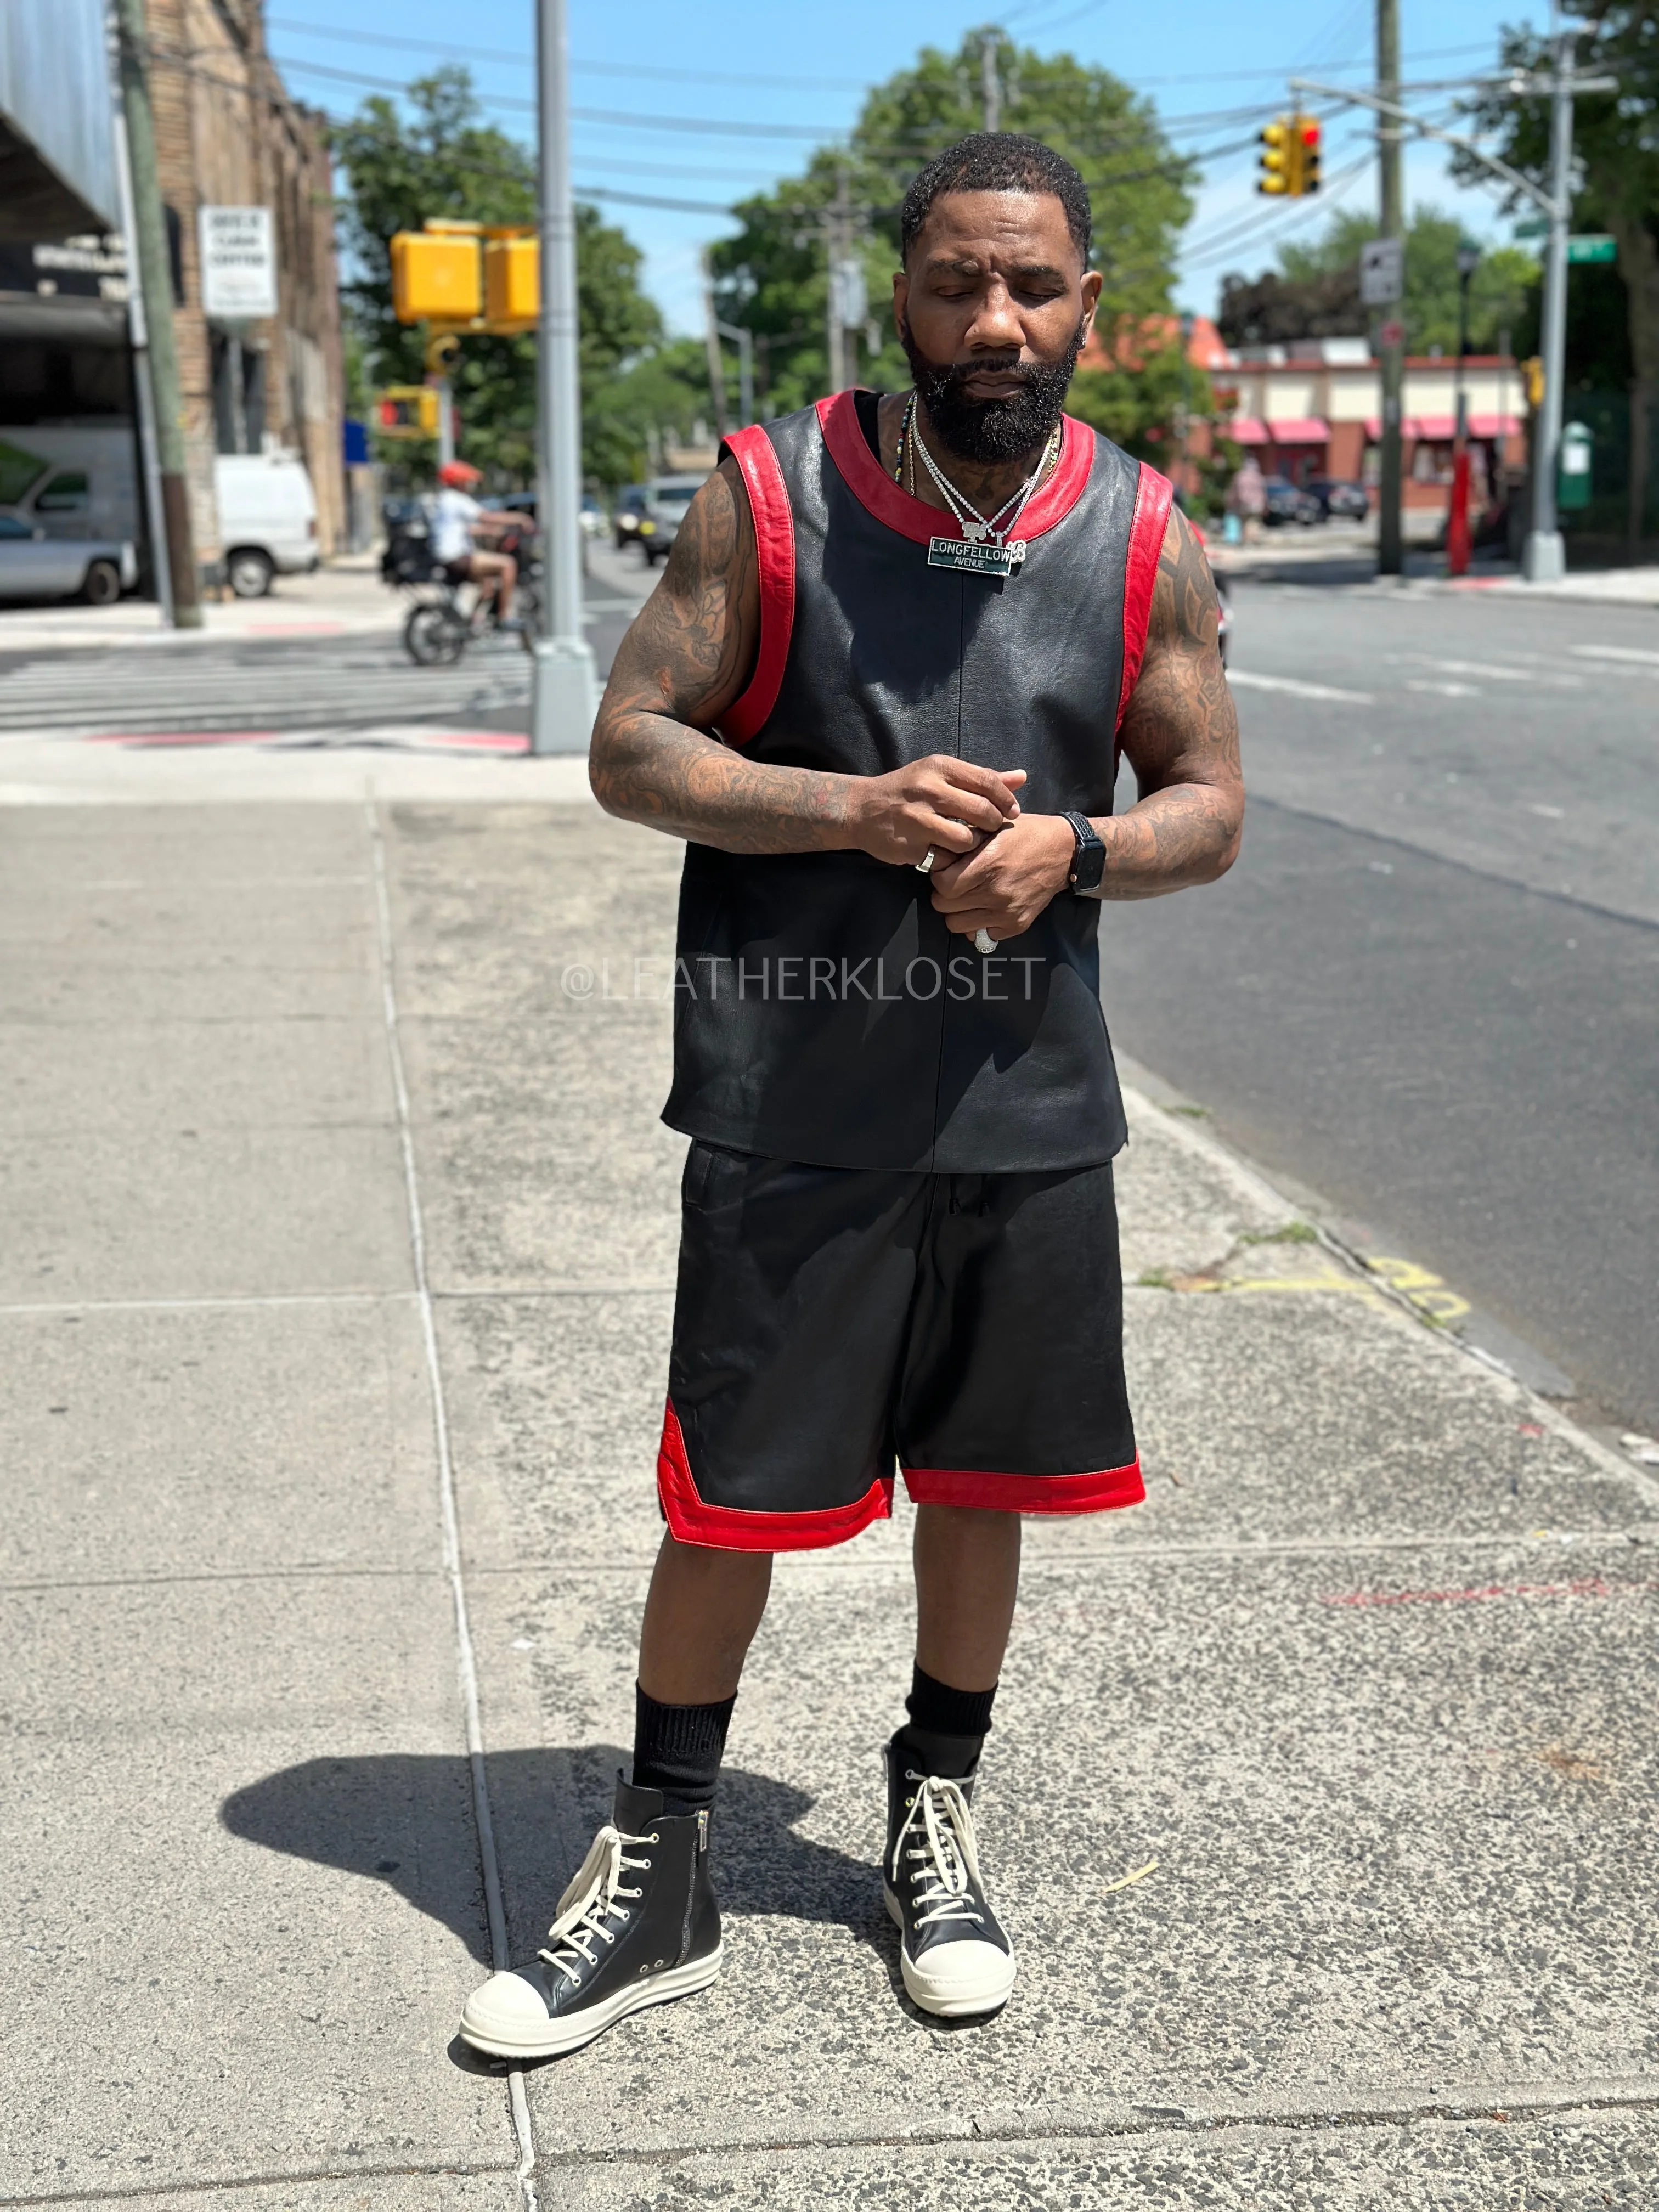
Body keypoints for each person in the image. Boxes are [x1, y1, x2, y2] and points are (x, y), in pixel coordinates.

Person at [459, 132, 1243, 2062]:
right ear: (898, 293)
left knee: (984, 1488)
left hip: (1022, 1104)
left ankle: (933, 1805)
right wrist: (849, 808)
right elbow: (626, 744)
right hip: (795, 1093)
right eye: (957, 281)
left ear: (1085, 302)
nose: (996, 318)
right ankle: (662, 1855)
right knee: (731, 1496)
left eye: (1033, 285)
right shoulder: (770, 496)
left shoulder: (1147, 532)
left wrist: (1070, 849)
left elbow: (1208, 810)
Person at [430, 458, 517, 623]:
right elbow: (486, 516)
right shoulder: (456, 499)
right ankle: (504, 616)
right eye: (468, 481)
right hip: (458, 558)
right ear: (459, 482)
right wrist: (519, 519)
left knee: (488, 583)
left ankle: (472, 623)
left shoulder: (444, 500)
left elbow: (462, 529)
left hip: (447, 557)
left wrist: (489, 531)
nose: (471, 485)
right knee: (508, 565)